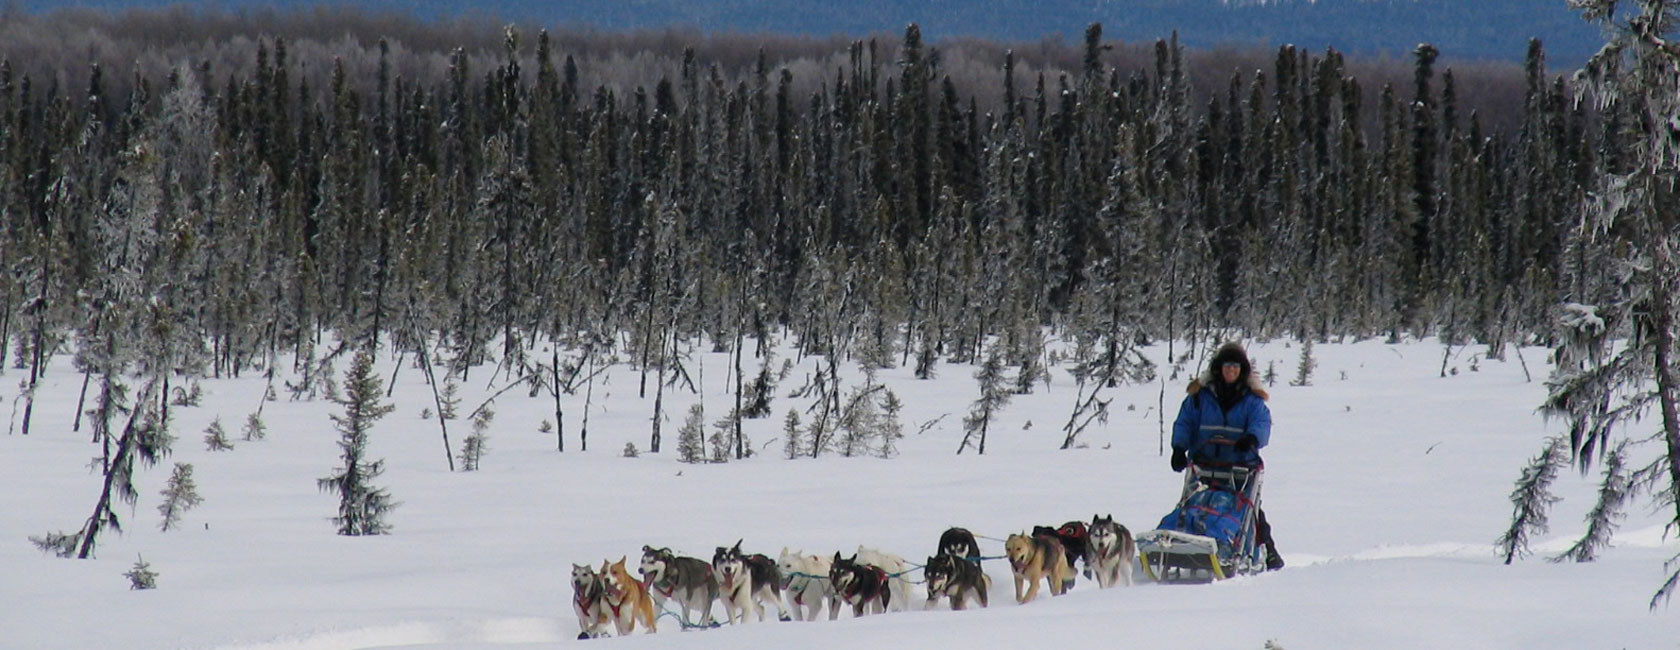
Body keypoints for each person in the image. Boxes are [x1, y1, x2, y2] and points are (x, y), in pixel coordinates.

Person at [1170, 342, 1284, 571]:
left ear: (1242, 370)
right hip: (1205, 461)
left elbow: (1261, 423)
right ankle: (1183, 543)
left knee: (1245, 509)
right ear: (1218, 369)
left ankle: (1267, 551)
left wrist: (1252, 438)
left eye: (1235, 366)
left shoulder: (1252, 400)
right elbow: (1185, 421)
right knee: (1194, 504)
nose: (1231, 371)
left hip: (1240, 464)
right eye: (1227, 366)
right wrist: (1178, 448)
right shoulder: (1200, 397)